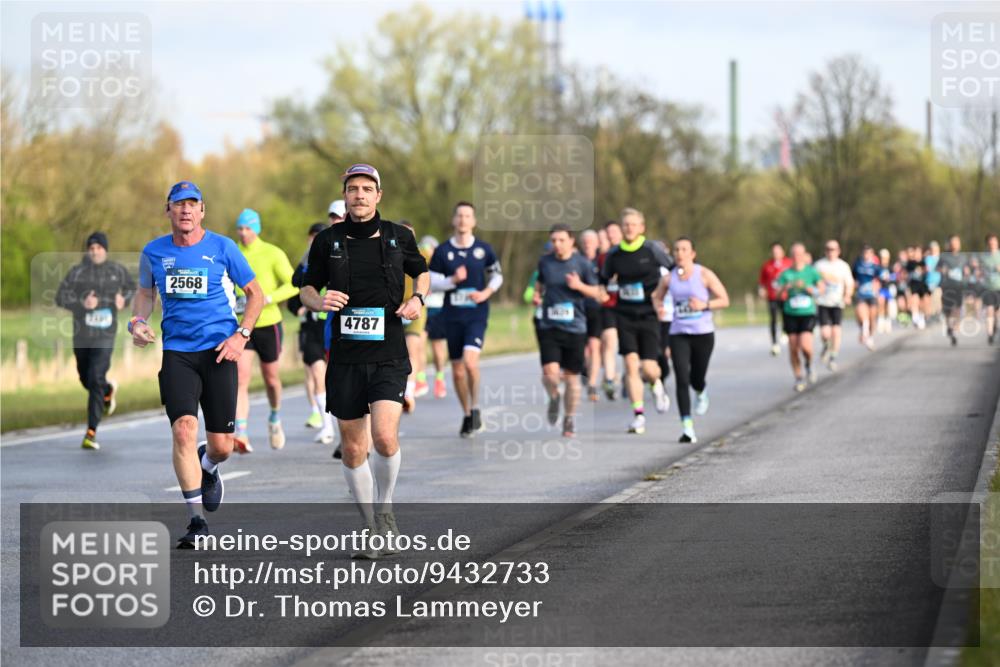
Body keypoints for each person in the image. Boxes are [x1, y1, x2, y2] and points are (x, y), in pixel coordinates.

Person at [300, 163, 429, 559]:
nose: (359, 195)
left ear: (378, 195)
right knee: (354, 449)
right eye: (353, 189)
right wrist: (318, 301)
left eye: (366, 189)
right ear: (345, 196)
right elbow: (306, 287)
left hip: (389, 352)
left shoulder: (398, 236)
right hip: (346, 357)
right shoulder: (328, 240)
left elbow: (421, 272)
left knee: (385, 438)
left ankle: (385, 510)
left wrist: (418, 298)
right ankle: (371, 527)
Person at [131, 180, 263, 547]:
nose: (186, 210)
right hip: (178, 353)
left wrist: (242, 335)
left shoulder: (223, 247)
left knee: (222, 446)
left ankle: (209, 465)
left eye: (193, 204)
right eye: (179, 204)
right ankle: (196, 521)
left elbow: (256, 294)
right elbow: (144, 294)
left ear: (202, 210)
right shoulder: (153, 252)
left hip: (220, 351)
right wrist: (137, 322)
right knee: (184, 430)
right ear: (168, 210)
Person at [55, 232, 136, 450]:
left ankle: (91, 432)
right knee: (86, 379)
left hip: (105, 335)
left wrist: (124, 299)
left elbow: (133, 288)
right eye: (91, 248)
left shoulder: (116, 271)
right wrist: (81, 303)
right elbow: (60, 296)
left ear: (105, 250)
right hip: (82, 335)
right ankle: (107, 390)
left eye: (99, 248)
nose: (95, 251)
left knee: (95, 376)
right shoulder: (77, 272)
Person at [429, 201, 503, 438]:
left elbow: (497, 276)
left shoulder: (483, 249)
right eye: (459, 215)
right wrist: (452, 280)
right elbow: (431, 282)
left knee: (470, 363)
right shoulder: (442, 251)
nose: (463, 220)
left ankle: (476, 406)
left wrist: (486, 293)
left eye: (467, 216)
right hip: (452, 316)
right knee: (458, 371)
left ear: (474, 221)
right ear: (454, 220)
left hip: (476, 314)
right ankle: (467, 413)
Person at [599, 208, 673, 435]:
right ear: (622, 228)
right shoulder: (614, 254)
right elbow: (603, 280)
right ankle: (638, 415)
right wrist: (602, 292)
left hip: (649, 315)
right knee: (630, 365)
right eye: (626, 225)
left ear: (642, 227)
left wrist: (662, 298)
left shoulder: (652, 250)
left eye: (633, 224)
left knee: (649, 369)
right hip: (625, 315)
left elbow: (672, 272)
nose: (629, 228)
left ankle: (656, 385)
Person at [232, 208, 299, 452]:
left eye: (248, 228)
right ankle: (241, 433)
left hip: (269, 324)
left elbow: (294, 284)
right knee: (240, 378)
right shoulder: (233, 252)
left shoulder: (272, 252)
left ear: (257, 229)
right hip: (242, 325)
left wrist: (268, 298)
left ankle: (274, 416)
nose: (243, 233)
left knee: (271, 379)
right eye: (240, 228)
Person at [652, 236, 729, 443]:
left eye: (684, 249)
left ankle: (701, 390)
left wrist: (704, 305)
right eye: (676, 250)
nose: (679, 253)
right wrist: (658, 308)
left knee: (696, 378)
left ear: (693, 254)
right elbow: (656, 297)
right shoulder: (668, 279)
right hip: (678, 333)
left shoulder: (704, 274)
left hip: (703, 334)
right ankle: (687, 428)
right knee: (681, 378)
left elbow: (724, 299)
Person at [534, 224, 603, 437]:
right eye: (554, 240)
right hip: (549, 326)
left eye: (561, 240)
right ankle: (554, 397)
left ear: (572, 241)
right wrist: (536, 295)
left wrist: (579, 286)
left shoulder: (582, 264)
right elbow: (540, 283)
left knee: (572, 378)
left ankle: (569, 418)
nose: (557, 244)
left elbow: (598, 293)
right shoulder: (545, 262)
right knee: (549, 374)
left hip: (575, 328)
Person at [289, 222, 336, 444]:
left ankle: (345, 423)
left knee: (336, 377)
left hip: (334, 324)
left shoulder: (339, 256)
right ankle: (327, 426)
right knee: (317, 373)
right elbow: (295, 282)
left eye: (319, 236)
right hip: (312, 327)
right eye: (312, 236)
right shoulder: (308, 260)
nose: (315, 240)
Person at [777, 243, 824, 392]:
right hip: (790, 313)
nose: (797, 257)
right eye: (794, 254)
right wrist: (785, 288)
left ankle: (809, 365)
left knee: (806, 347)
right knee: (793, 348)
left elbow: (821, 289)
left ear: (804, 255)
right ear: (791, 256)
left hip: (807, 313)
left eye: (799, 254)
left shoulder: (811, 271)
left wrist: (811, 289)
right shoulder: (786, 274)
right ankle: (798, 377)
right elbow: (777, 294)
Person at [399, 221, 431, 413]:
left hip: (415, 306)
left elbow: (434, 270)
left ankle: (409, 393)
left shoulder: (423, 254)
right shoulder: (388, 253)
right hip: (394, 309)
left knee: (412, 348)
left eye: (410, 234)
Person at [813, 240, 854, 371]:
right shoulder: (819, 265)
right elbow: (812, 282)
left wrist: (847, 295)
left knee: (836, 331)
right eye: (828, 249)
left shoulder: (843, 266)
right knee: (825, 333)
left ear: (838, 251)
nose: (831, 252)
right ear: (825, 251)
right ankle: (826, 346)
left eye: (833, 249)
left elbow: (849, 283)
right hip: (823, 302)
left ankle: (833, 357)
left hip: (837, 302)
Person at [596, 220, 624, 399]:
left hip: (629, 305)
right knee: (609, 340)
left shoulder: (631, 253)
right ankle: (609, 379)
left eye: (614, 231)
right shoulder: (603, 257)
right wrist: (601, 294)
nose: (611, 235)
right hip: (609, 305)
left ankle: (629, 375)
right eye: (608, 233)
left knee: (630, 347)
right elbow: (599, 281)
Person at [420, 235, 449, 399]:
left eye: (429, 248)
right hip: (423, 309)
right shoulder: (418, 264)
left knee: (438, 349)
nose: (427, 251)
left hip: (437, 309)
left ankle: (439, 378)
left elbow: (448, 283)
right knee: (419, 345)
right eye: (424, 248)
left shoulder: (441, 265)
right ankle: (421, 379)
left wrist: (433, 286)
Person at [578, 229, 604, 402]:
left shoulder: (602, 261)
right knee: (582, 348)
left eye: (591, 241)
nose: (588, 244)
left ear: (597, 243)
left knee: (594, 345)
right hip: (578, 309)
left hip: (596, 308)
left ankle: (592, 383)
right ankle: (584, 369)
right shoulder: (576, 261)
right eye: (585, 241)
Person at [758, 242, 793, 357]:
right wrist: (761, 290)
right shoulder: (767, 265)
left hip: (786, 296)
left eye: (778, 251)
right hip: (772, 296)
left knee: (786, 315)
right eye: (774, 252)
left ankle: (785, 331)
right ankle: (774, 343)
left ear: (783, 252)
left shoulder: (789, 263)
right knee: (773, 318)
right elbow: (762, 281)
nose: (776, 253)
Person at [939, 235, 966, 347]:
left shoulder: (963, 257)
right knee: (948, 310)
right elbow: (938, 268)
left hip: (959, 286)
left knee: (957, 308)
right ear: (949, 244)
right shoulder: (944, 257)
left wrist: (967, 271)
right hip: (947, 286)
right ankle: (949, 327)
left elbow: (968, 269)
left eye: (957, 242)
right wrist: (943, 270)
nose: (955, 244)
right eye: (953, 242)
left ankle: (953, 329)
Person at [852, 245, 881, 350]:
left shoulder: (875, 267)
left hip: (872, 295)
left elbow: (882, 278)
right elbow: (852, 277)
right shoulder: (857, 265)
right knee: (863, 316)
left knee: (872, 317)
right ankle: (864, 332)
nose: (866, 255)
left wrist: (877, 285)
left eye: (869, 253)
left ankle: (870, 337)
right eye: (865, 253)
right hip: (861, 294)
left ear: (872, 255)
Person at [905, 245, 930, 330]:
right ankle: (915, 317)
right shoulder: (910, 263)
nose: (917, 254)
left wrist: (924, 270)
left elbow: (926, 271)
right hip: (914, 285)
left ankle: (922, 317)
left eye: (919, 252)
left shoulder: (923, 262)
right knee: (915, 300)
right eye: (916, 252)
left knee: (924, 302)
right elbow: (906, 273)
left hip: (922, 285)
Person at [983, 233, 1000, 345]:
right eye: (990, 242)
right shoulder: (984, 257)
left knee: (997, 313)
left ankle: (995, 327)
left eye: (994, 242)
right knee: (989, 309)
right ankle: (989, 334)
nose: (992, 244)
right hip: (988, 288)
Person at [876, 248, 896, 334]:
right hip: (881, 289)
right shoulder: (878, 268)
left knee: (887, 305)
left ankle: (888, 322)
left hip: (888, 288)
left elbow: (894, 277)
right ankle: (881, 322)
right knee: (881, 303)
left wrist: (889, 278)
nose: (883, 260)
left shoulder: (890, 268)